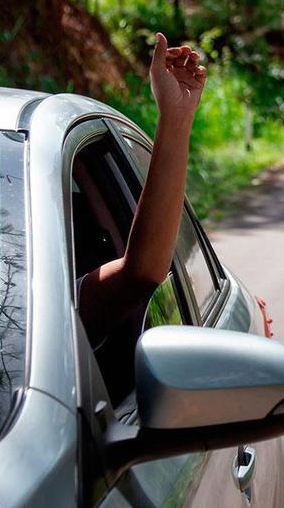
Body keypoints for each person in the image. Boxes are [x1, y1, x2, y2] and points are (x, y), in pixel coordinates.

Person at [76, 32, 206, 347]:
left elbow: (141, 273)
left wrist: (176, 117)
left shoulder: (31, 310)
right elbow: (142, 272)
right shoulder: (19, 311)